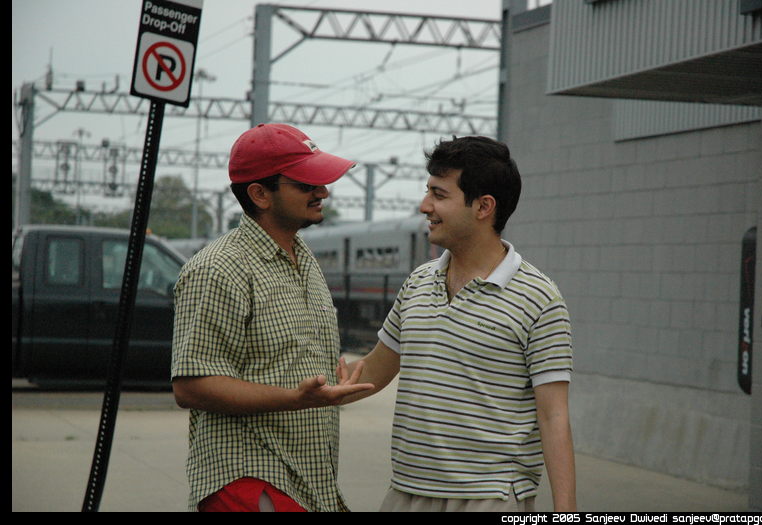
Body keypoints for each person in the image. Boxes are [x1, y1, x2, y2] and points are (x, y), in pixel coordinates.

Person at [337, 135, 577, 512]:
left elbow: (554, 415)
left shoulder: (540, 298)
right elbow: (372, 372)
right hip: (406, 491)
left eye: (439, 194)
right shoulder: (417, 282)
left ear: (483, 206)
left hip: (490, 497)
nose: (424, 206)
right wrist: (304, 389)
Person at [171, 123, 374, 512]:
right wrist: (296, 399)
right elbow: (191, 386)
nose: (323, 192)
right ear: (260, 194)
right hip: (252, 483)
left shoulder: (303, 258)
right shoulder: (219, 268)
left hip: (307, 483)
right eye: (306, 183)